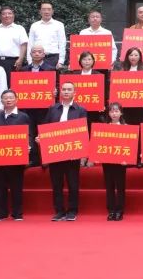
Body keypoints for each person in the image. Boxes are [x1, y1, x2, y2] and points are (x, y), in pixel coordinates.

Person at [42, 81, 87, 221]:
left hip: (73, 152)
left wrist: (81, 154)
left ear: (75, 93)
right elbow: (46, 127)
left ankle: (72, 210)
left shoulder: (80, 110)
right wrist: (41, 138)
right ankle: (59, 210)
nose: (66, 92)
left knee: (73, 183)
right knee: (57, 183)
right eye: (64, 89)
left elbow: (84, 131)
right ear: (60, 92)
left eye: (69, 90)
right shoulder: (53, 108)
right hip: (55, 152)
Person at [0, 90, 31, 221]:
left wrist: (28, 146)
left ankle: (17, 213)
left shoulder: (23, 117)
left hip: (16, 157)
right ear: (1, 101)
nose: (8, 100)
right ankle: (1, 213)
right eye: (5, 98)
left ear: (16, 100)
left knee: (16, 186)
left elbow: (29, 134)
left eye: (11, 98)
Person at [100, 102, 130, 221]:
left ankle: (119, 211)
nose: (114, 113)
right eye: (112, 111)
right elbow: (99, 145)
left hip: (121, 162)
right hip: (107, 162)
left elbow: (130, 146)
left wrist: (127, 159)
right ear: (108, 113)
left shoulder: (126, 127)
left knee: (120, 187)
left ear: (121, 113)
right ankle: (111, 210)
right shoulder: (104, 128)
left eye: (116, 111)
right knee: (109, 187)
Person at [27, 1, 66, 68]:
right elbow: (30, 44)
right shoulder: (34, 25)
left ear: (52, 11)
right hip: (37, 58)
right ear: (40, 11)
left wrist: (61, 61)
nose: (46, 12)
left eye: (49, 9)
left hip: (53, 58)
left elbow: (62, 43)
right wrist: (29, 61)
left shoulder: (59, 25)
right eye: (44, 9)